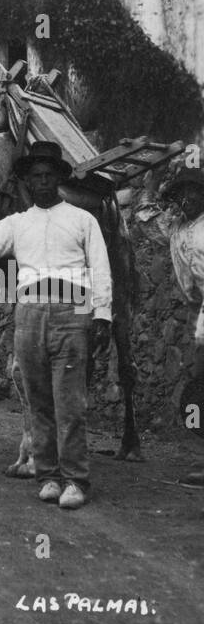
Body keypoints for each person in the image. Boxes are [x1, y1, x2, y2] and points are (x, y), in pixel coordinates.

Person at [0, 140, 113, 510]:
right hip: (28, 318)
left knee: (71, 403)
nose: (43, 182)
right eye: (36, 177)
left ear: (58, 180)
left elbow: (101, 269)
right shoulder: (16, 224)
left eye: (49, 176)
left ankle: (75, 480)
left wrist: (103, 315)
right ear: (27, 183)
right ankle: (48, 476)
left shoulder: (82, 220)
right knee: (39, 401)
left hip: (70, 315)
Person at [136, 165, 204, 487]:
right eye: (182, 194)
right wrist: (150, 185)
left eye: (194, 192)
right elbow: (144, 218)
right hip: (200, 310)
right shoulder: (176, 227)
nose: (188, 199)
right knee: (198, 386)